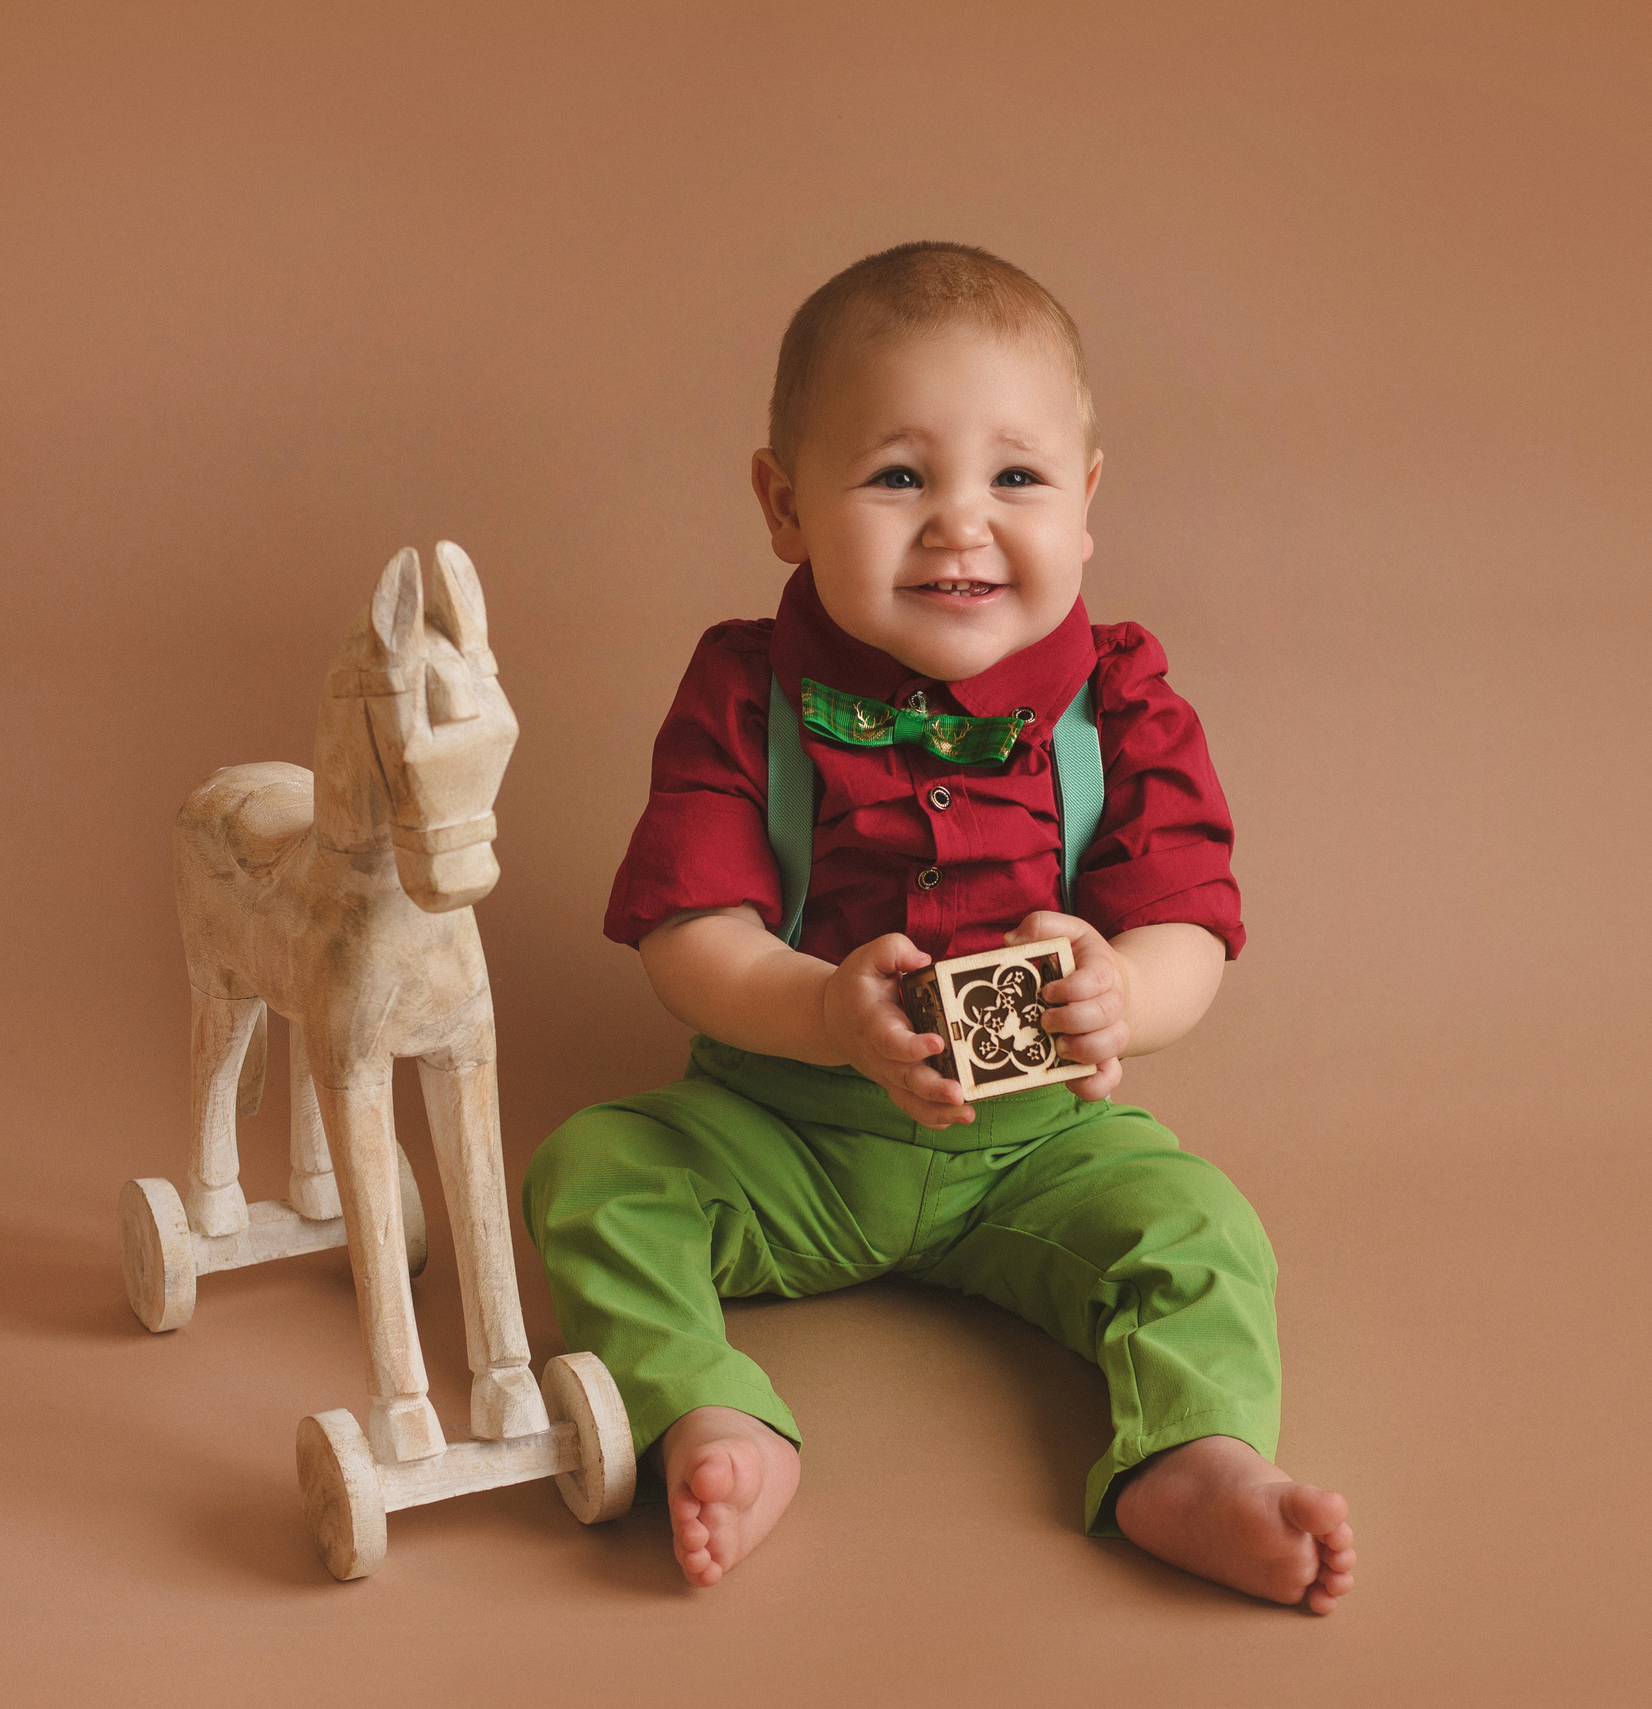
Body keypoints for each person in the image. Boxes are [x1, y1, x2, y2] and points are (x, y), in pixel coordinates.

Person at [523, 242, 1355, 1609]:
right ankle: (710, 1412)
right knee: (595, 1174)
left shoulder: (1123, 702)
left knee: (1202, 1224)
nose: (960, 522)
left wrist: (1122, 998)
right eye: (899, 475)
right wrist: (820, 1013)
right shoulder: (746, 692)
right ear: (784, 506)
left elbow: (1190, 924)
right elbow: (691, 935)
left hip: (1043, 1147)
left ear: (1086, 503)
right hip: (791, 1125)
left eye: (1015, 477)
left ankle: (1193, 1457)